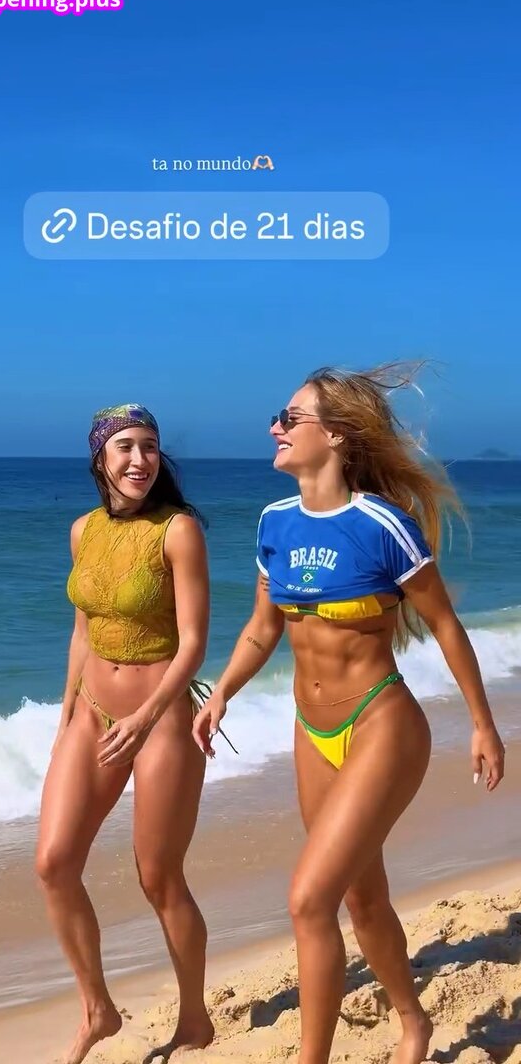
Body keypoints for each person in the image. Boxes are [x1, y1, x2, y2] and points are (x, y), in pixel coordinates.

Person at [192, 365, 505, 1064]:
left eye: (289, 417)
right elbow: (262, 630)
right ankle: (413, 1023)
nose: (274, 428)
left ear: (334, 435)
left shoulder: (382, 525)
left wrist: (483, 724)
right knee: (361, 898)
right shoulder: (274, 522)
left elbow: (446, 625)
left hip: (380, 722)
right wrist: (222, 693)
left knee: (308, 898)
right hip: (312, 732)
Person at [36, 403, 214, 1064]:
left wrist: (145, 717)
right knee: (54, 864)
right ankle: (98, 1010)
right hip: (92, 712)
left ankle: (194, 1021)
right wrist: (65, 718)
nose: (140, 460)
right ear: (100, 459)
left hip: (161, 717)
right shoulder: (82, 531)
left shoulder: (178, 531)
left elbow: (193, 644)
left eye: (150, 447)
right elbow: (82, 631)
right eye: (126, 447)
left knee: (159, 877)